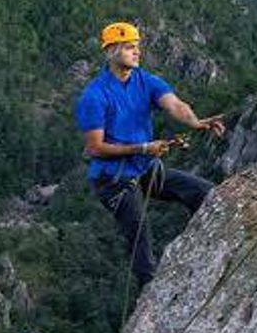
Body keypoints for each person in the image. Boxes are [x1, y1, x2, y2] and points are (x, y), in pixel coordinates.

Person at [76, 21, 226, 286]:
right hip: (112, 179)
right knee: (138, 230)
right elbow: (95, 147)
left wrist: (195, 122)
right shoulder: (95, 96)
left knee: (203, 192)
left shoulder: (146, 81)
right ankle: (150, 289)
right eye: (129, 47)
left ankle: (209, 249)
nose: (137, 52)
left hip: (143, 169)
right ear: (111, 52)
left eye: (137, 47)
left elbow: (174, 105)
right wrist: (143, 148)